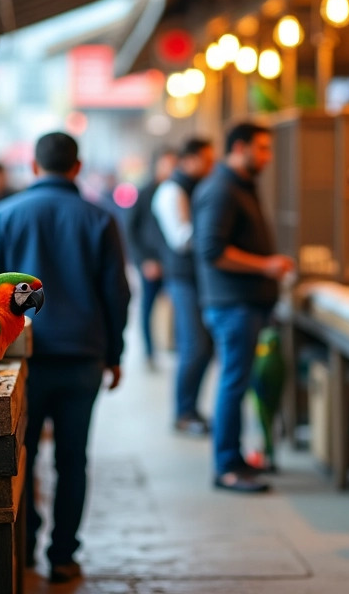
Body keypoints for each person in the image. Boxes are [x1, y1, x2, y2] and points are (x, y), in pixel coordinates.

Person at [0, 132, 130, 584]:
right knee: (72, 459)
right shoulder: (100, 218)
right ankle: (63, 555)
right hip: (82, 356)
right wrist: (115, 353)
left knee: (19, 456)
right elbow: (117, 295)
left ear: (35, 166)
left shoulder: (5, 215)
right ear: (77, 167)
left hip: (23, 358)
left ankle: (22, 547)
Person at [192, 122, 294, 493]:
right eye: (262, 149)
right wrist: (264, 265)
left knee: (237, 383)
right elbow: (211, 250)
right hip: (232, 306)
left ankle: (236, 459)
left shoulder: (240, 185)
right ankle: (227, 466)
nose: (267, 157)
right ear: (239, 147)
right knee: (233, 385)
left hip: (246, 305)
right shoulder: (221, 189)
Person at [152, 137, 216, 436]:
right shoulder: (172, 191)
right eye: (207, 159)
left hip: (196, 278)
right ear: (188, 160)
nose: (211, 165)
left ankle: (190, 409)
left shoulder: (192, 188)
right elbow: (181, 237)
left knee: (201, 346)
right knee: (194, 346)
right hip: (183, 278)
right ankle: (184, 411)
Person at [125, 149, 177, 368]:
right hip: (151, 263)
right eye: (168, 164)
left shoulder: (177, 190)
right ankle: (149, 352)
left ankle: (174, 346)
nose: (172, 169)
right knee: (148, 307)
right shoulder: (145, 192)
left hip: (173, 262)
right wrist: (144, 260)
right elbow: (131, 229)